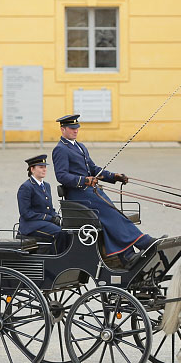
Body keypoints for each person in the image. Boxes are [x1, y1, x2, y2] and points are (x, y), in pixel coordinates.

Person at [50, 114, 155, 267]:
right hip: (78, 195)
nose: (75, 131)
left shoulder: (80, 146)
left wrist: (114, 176)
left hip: (90, 192)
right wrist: (84, 180)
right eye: (72, 129)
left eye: (77, 128)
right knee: (111, 214)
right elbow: (62, 176)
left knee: (114, 213)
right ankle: (141, 243)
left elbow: (93, 169)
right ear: (62, 129)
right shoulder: (60, 149)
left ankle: (129, 253)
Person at [17, 154, 67, 253]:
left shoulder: (46, 186)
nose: (44, 170)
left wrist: (57, 216)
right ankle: (53, 261)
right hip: (30, 225)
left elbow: (49, 209)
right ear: (32, 169)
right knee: (59, 233)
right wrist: (50, 218)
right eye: (41, 167)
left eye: (45, 167)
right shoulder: (26, 187)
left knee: (68, 231)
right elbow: (25, 213)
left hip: (43, 223)